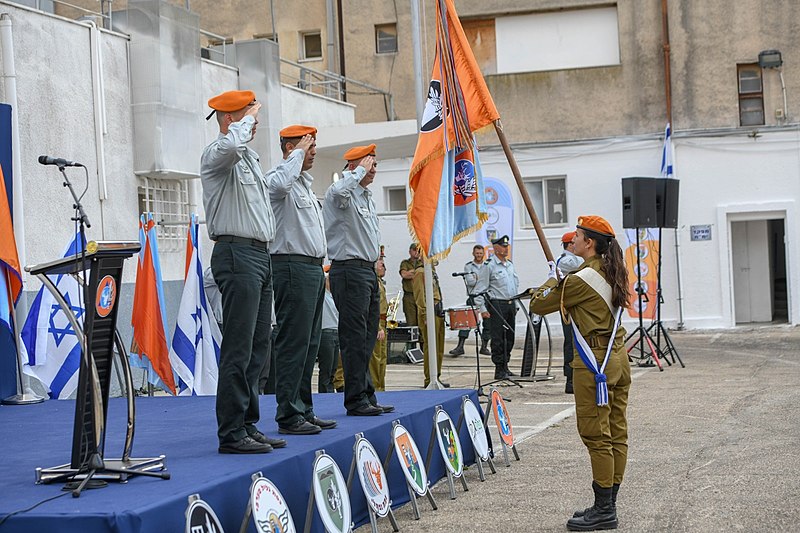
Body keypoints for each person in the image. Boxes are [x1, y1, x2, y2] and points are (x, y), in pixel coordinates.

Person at [530, 215, 631, 532]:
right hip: (617, 356)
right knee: (616, 432)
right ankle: (608, 504)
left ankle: (604, 510)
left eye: (576, 236)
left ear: (589, 243)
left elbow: (537, 304)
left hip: (594, 364)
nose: (571, 240)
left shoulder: (578, 279)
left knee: (596, 435)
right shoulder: (611, 269)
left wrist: (553, 277)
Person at [201, 89, 286, 454]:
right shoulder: (218, 155)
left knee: (258, 345)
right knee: (238, 346)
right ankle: (231, 431)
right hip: (236, 253)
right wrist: (244, 119)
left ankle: (247, 423)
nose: (255, 125)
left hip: (259, 255)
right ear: (230, 120)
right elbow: (229, 147)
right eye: (249, 117)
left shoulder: (248, 159)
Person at [267, 124, 336, 435]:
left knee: (309, 344)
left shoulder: (305, 186)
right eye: (306, 147)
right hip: (290, 266)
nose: (312, 153)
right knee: (293, 344)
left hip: (312, 268)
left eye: (312, 147)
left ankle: (303, 408)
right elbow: (276, 185)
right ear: (288, 149)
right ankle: (288, 413)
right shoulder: (280, 180)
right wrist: (294, 156)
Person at [324, 144, 393, 416]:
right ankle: (355, 399)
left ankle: (366, 393)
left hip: (367, 271)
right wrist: (358, 171)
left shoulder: (366, 197)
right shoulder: (341, 192)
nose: (374, 169)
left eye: (375, 165)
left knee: (366, 338)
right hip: (349, 269)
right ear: (353, 166)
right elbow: (340, 190)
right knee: (353, 338)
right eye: (369, 164)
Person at [476, 235, 519, 380]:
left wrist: (516, 305)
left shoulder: (509, 264)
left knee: (510, 338)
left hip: (510, 304)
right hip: (497, 304)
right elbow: (480, 289)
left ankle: (506, 366)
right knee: (498, 339)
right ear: (495, 248)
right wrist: (482, 309)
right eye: (503, 246)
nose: (506, 248)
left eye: (507, 246)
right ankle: (499, 369)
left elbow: (514, 286)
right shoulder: (489, 266)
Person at [449, 244, 490, 357]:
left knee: (488, 322)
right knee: (467, 322)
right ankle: (460, 346)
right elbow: (470, 282)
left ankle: (484, 346)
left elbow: (490, 280)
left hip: (485, 296)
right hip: (473, 297)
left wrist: (477, 278)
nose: (479, 255)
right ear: (473, 253)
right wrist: (481, 279)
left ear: (484, 254)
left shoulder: (488, 265)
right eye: (477, 253)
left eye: (481, 253)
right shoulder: (468, 266)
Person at [412, 261, 448, 388]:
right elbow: (419, 296)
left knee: (438, 346)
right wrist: (424, 314)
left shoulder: (431, 271)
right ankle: (429, 378)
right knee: (431, 346)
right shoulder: (420, 272)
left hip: (437, 310)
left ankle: (437, 375)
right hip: (429, 312)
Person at [557, 231, 584, 394]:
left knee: (577, 341)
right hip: (568, 307)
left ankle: (575, 377)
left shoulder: (573, 259)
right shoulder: (567, 261)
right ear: (570, 245)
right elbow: (585, 265)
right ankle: (570, 379)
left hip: (576, 307)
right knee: (571, 342)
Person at [316, 265, 339, 393]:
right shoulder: (323, 294)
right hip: (326, 333)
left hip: (336, 332)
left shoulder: (335, 295)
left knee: (333, 370)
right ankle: (324, 394)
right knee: (326, 369)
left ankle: (329, 393)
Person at [369, 257, 389, 391]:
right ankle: (376, 388)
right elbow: (372, 306)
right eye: (381, 263)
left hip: (383, 320)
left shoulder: (380, 282)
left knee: (382, 358)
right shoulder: (372, 282)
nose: (384, 266)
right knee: (375, 359)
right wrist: (377, 326)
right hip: (377, 322)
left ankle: (381, 387)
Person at [399, 243, 422, 325]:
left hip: (421, 295)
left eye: (419, 250)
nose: (417, 252)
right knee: (411, 322)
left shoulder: (423, 263)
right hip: (409, 296)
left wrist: (412, 272)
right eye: (414, 250)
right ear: (410, 251)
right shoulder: (405, 263)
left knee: (423, 321)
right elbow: (404, 274)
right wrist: (418, 273)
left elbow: (426, 276)